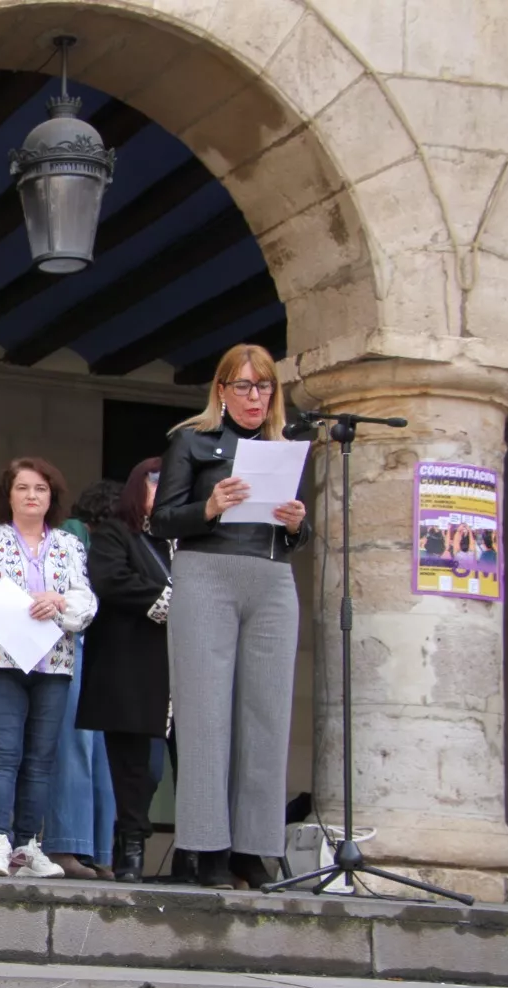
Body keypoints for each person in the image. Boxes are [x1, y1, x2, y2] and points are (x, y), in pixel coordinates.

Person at [150, 342, 309, 890]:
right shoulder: (192, 441)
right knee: (206, 716)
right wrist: (210, 507)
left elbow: (299, 535)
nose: (255, 397)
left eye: (264, 387)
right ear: (222, 390)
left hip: (271, 576)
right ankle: (208, 848)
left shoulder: (284, 446)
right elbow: (161, 521)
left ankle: (254, 849)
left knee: (267, 717)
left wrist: (296, 524)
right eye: (244, 386)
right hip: (207, 573)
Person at [0, 458, 96, 878]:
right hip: (1, 659)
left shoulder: (69, 545)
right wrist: (26, 602)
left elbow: (85, 602)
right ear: (9, 495)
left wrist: (57, 602)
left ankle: (27, 845)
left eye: (40, 488)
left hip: (53, 662)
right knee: (3, 753)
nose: (31, 495)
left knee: (41, 758)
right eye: (22, 488)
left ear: (51, 496)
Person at [77, 458, 172, 882]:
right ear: (140, 488)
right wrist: (170, 601)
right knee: (138, 766)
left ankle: (195, 853)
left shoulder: (186, 538)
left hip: (181, 668)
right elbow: (110, 579)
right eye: (159, 485)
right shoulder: (117, 532)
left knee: (183, 766)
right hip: (132, 667)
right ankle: (129, 847)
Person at [45, 478, 122, 880]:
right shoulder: (74, 534)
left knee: (97, 750)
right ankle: (70, 847)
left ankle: (94, 850)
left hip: (98, 648)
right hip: (75, 641)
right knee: (78, 744)